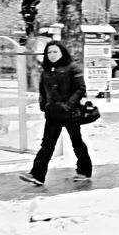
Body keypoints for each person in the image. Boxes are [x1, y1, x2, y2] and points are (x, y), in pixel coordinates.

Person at [20, 40, 92, 186]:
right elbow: (42, 91)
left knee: (76, 142)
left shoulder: (73, 68)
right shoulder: (46, 71)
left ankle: (84, 171)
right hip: (52, 114)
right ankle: (37, 175)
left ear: (62, 52)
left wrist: (67, 106)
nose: (52, 55)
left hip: (70, 114)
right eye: (49, 52)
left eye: (55, 52)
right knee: (46, 145)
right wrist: (44, 105)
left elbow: (81, 89)